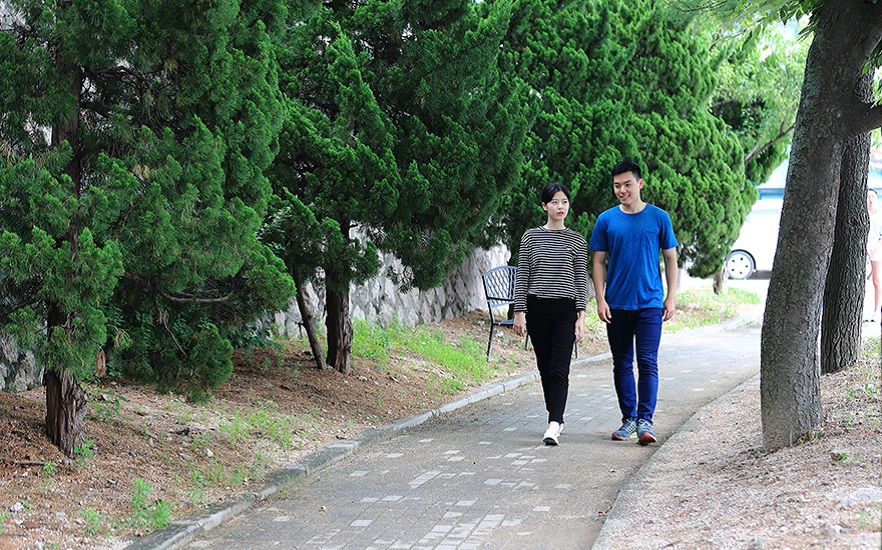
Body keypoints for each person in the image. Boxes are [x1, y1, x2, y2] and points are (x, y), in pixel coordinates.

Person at [589, 160, 678, 445]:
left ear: (639, 183)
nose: (622, 190)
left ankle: (645, 422)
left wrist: (671, 297)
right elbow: (598, 262)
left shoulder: (659, 217)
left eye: (627, 184)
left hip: (650, 303)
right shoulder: (606, 220)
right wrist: (600, 299)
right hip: (616, 304)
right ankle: (628, 419)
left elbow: (671, 258)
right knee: (622, 363)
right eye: (617, 185)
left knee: (648, 362)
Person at [513, 183, 588, 446]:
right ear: (545, 206)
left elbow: (581, 281)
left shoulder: (576, 240)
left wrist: (581, 316)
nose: (560, 206)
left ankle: (554, 424)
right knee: (545, 367)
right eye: (555, 202)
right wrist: (519, 311)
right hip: (537, 308)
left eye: (564, 201)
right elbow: (523, 275)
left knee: (559, 367)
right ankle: (556, 415)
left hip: (565, 310)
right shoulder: (530, 237)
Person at [866, 188, 882, 323]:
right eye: (868, 196)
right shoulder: (863, 213)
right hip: (863, 246)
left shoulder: (879, 214)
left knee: (876, 280)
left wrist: (873, 249)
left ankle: (877, 311)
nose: (870, 199)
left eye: (872, 197)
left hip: (877, 246)